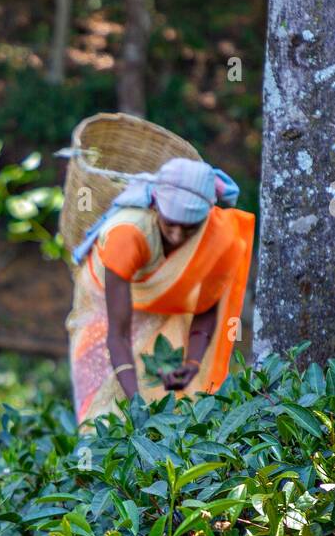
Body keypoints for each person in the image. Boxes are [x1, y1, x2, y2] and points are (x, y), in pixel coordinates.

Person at [66, 157, 254, 423]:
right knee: (101, 411)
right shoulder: (128, 234)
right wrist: (136, 405)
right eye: (170, 224)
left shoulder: (218, 238)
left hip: (162, 307)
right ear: (156, 207)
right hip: (106, 308)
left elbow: (206, 305)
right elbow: (117, 334)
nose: (177, 236)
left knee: (168, 400)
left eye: (189, 228)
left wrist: (192, 364)